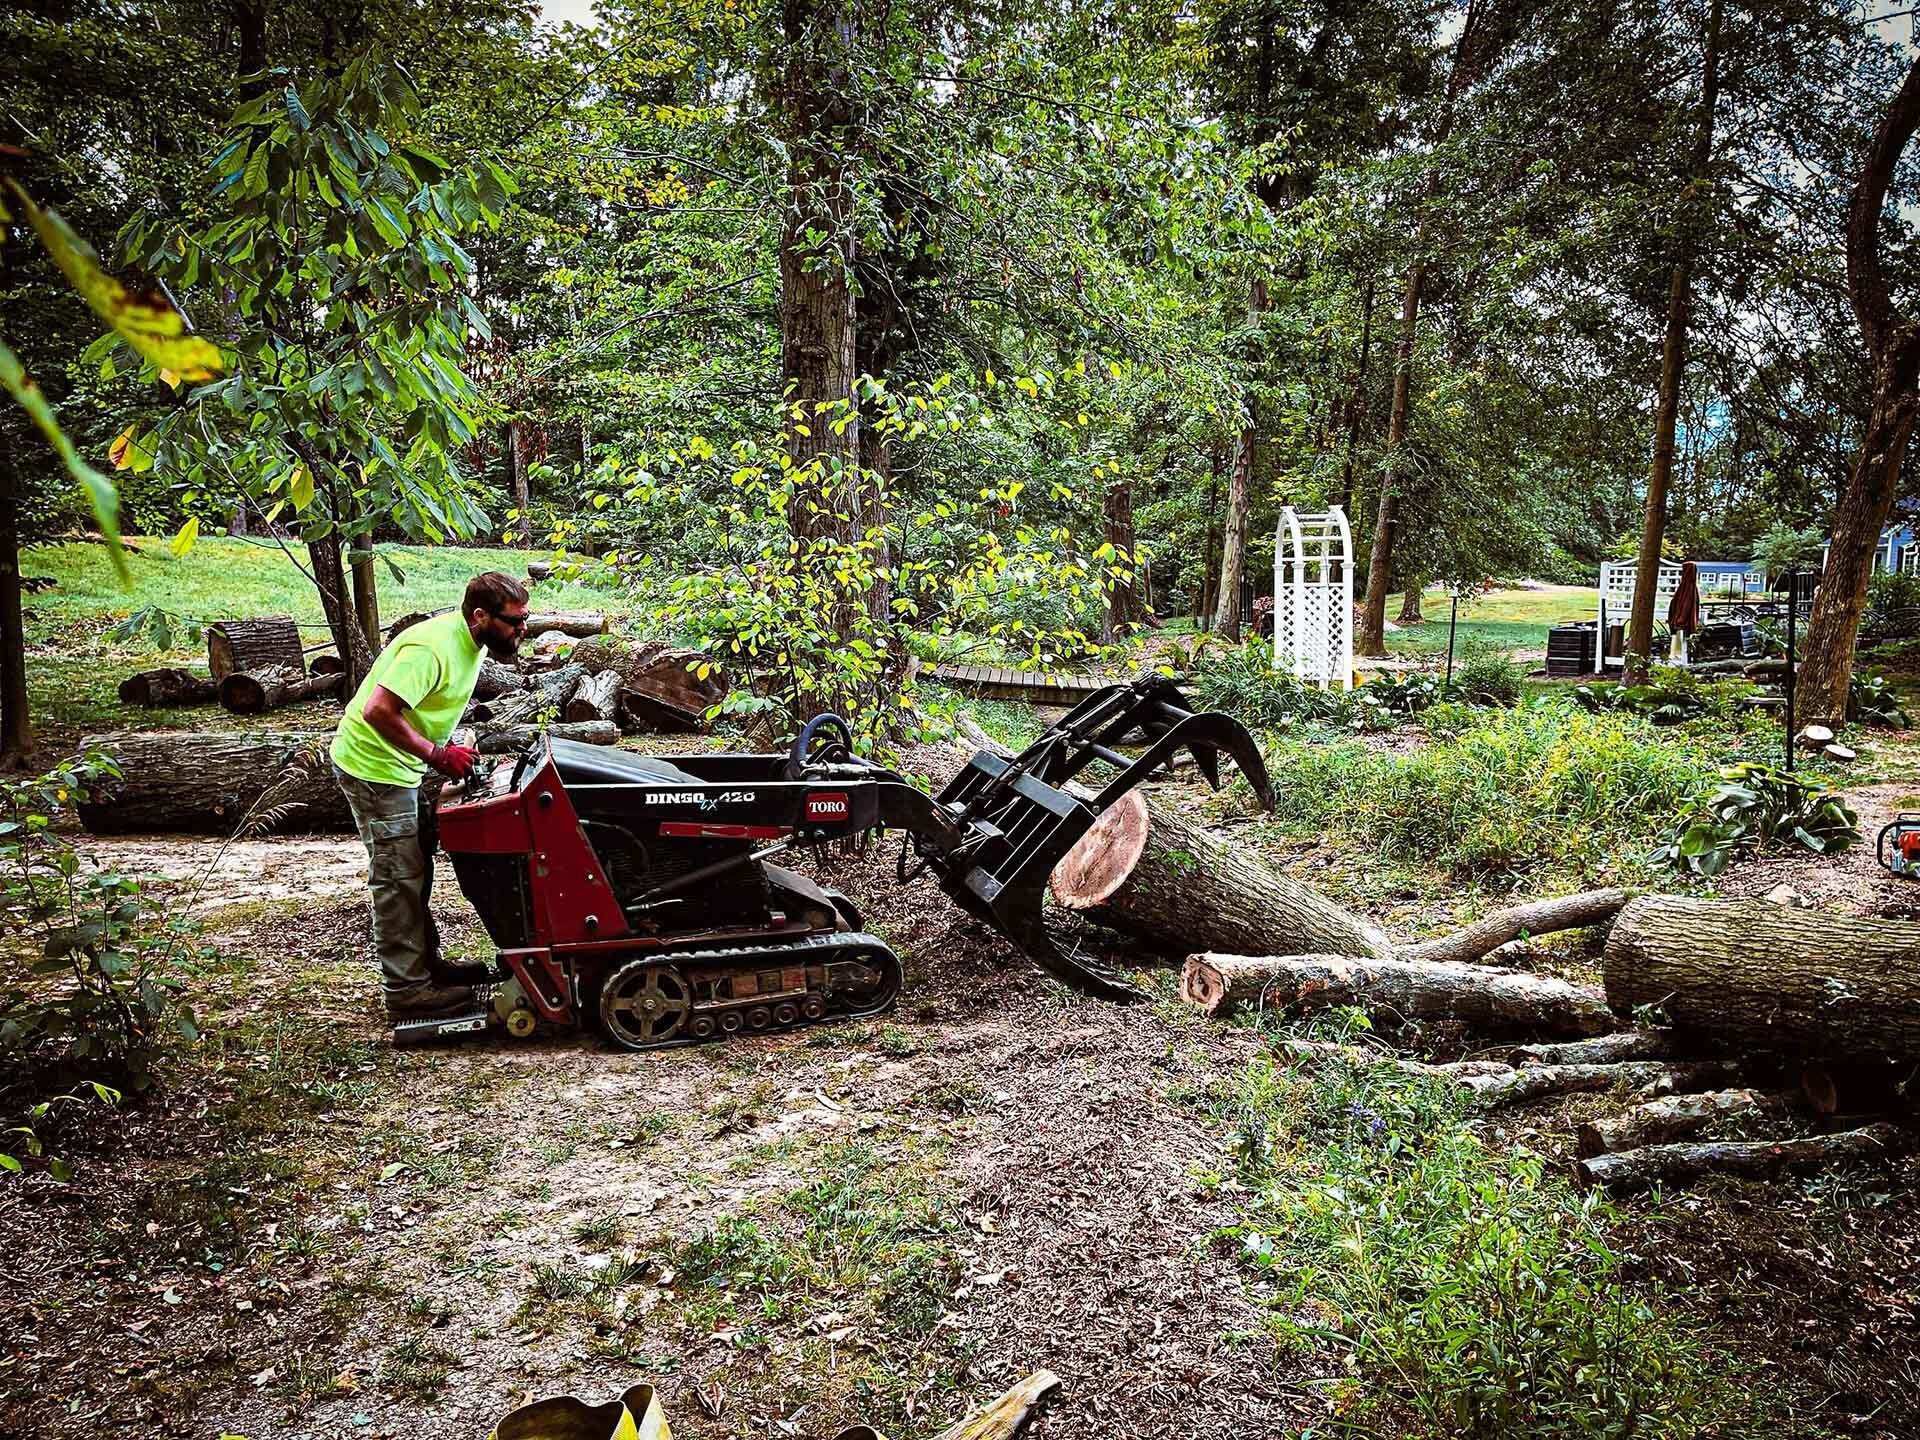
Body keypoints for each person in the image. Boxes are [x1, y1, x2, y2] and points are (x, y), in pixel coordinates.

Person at [330, 572, 531, 1021]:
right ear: (480, 616)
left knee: (416, 868)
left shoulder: (472, 643)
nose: (523, 629)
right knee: (398, 879)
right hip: (375, 769)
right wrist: (438, 755)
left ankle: (427, 969)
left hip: (403, 766)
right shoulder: (433, 647)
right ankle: (407, 990)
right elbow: (377, 710)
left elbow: (425, 707)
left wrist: (450, 744)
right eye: (515, 621)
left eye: (525, 619)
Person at [1666, 559, 1702, 666]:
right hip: (1682, 619)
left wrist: (1680, 618)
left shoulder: (1687, 587)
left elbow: (1684, 603)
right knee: (1679, 635)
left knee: (1678, 635)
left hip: (1681, 619)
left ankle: (1676, 654)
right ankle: (1676, 654)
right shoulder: (1689, 587)